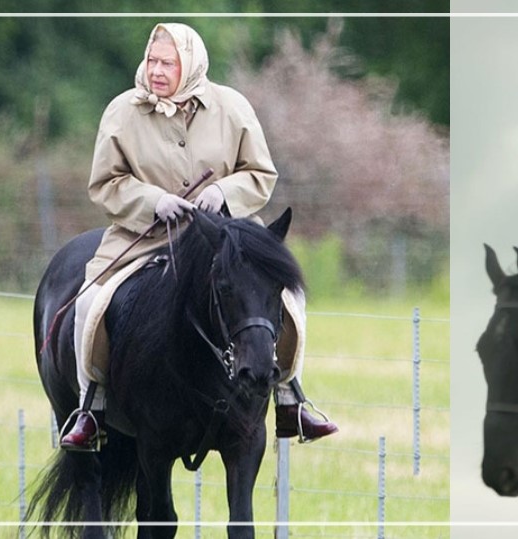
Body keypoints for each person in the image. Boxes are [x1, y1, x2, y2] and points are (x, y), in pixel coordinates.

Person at [60, 22, 338, 452]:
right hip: (147, 235)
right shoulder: (122, 112)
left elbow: (261, 173)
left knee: (287, 299)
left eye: (167, 63)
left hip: (225, 240)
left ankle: (288, 398)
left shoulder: (232, 107)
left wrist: (222, 192)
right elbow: (105, 184)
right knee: (89, 303)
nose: (155, 70)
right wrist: (154, 201)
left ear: (189, 64)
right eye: (151, 60)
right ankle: (91, 408)